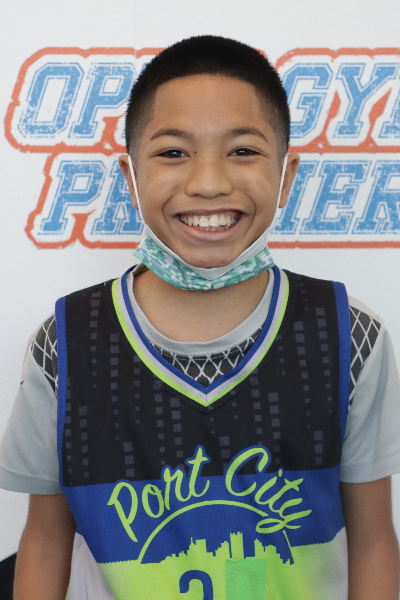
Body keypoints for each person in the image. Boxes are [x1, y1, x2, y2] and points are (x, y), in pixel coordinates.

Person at [1, 35, 400, 600]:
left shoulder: (349, 338)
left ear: (286, 176)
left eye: (242, 151)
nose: (209, 182)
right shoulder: (64, 345)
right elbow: (44, 543)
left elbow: (374, 541)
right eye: (173, 153)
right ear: (129, 178)